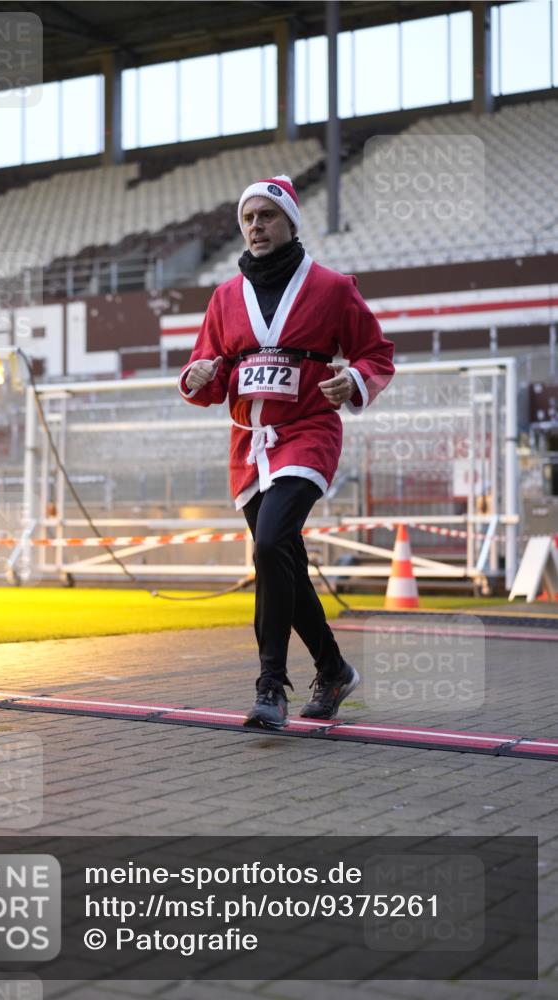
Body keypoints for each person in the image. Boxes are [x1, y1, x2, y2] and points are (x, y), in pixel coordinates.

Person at [178, 174, 395, 729]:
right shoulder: (225, 297)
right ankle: (334, 670)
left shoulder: (331, 288)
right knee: (285, 564)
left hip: (307, 433)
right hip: (248, 446)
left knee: (272, 541)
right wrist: (198, 373)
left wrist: (355, 380)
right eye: (248, 218)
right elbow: (208, 373)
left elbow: (376, 352)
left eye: (267, 216)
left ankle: (270, 684)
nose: (256, 225)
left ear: (290, 223)